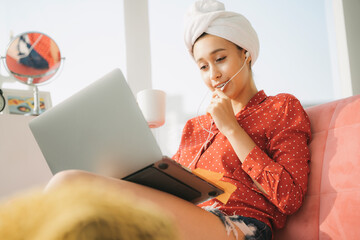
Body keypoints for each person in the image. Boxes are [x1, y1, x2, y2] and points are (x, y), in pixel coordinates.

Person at [45, 0, 311, 240]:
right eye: (203, 66)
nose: (214, 75)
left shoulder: (281, 107)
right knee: (68, 185)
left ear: (246, 54)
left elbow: (289, 198)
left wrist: (231, 128)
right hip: (188, 218)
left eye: (220, 59)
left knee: (71, 184)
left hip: (240, 225)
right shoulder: (194, 127)